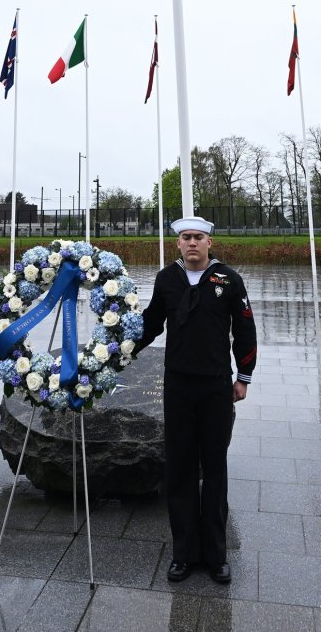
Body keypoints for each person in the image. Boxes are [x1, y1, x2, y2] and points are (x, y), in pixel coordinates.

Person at [133, 215, 257, 585]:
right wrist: (118, 345)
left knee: (215, 467)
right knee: (181, 468)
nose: (191, 243)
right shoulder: (166, 279)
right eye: (185, 237)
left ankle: (216, 555)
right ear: (177, 243)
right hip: (179, 386)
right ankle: (184, 553)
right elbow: (152, 322)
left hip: (217, 386)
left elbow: (246, 330)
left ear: (209, 242)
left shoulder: (229, 280)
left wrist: (243, 377)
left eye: (198, 237)